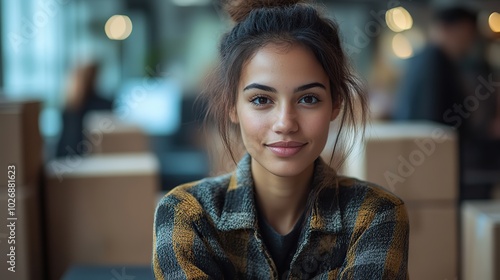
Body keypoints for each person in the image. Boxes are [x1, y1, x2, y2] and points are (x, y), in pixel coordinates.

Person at [153, 1, 409, 279]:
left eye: (308, 99)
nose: (285, 123)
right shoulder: (187, 215)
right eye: (261, 100)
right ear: (231, 106)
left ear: (335, 103)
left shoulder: (375, 216)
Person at [393, 6, 499, 200]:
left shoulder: (422, 58)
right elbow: (432, 119)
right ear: (448, 29)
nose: (468, 43)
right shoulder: (436, 61)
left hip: (425, 161)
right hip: (435, 164)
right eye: (466, 34)